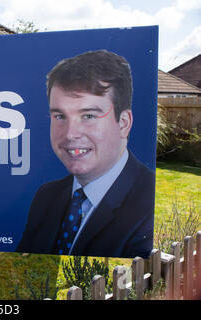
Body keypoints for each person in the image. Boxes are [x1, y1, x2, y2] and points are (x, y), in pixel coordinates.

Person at [16, 50, 155, 258]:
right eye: (60, 116)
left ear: (124, 123)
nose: (70, 134)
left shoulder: (144, 206)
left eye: (88, 115)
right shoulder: (46, 196)